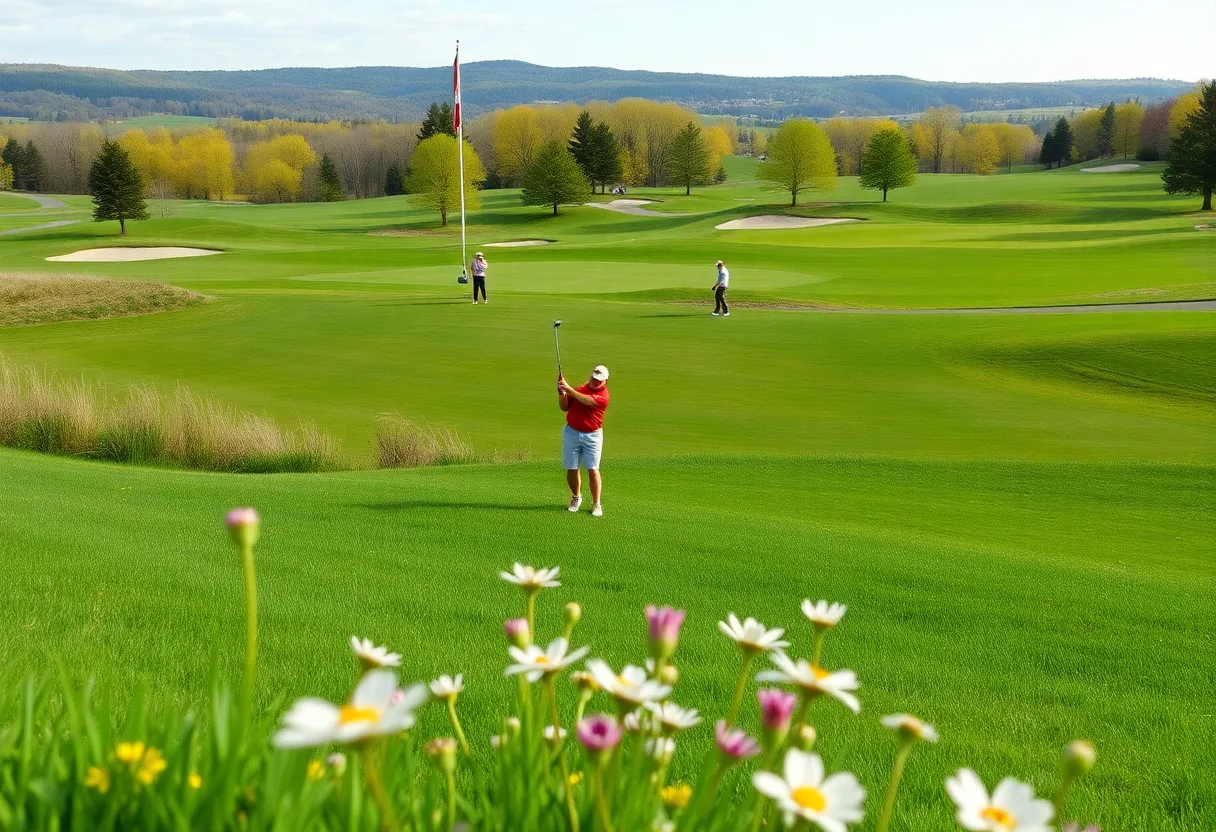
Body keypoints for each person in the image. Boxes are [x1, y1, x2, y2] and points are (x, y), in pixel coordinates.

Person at [557, 364, 610, 517]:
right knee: (571, 468)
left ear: (606, 381)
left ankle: (596, 504)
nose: (595, 382)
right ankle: (576, 497)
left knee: (593, 469)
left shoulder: (604, 396)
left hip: (592, 437)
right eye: (594, 378)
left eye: (599, 380)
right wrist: (562, 393)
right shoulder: (581, 389)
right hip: (572, 433)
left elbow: (587, 401)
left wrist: (568, 388)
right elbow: (564, 407)